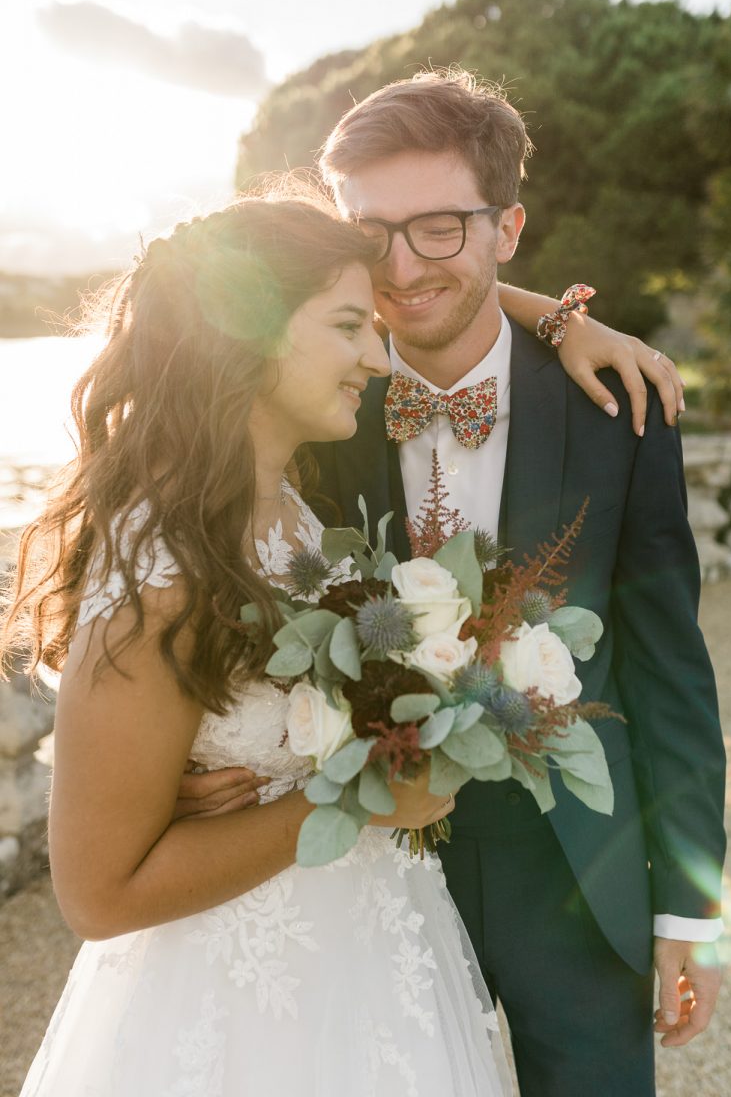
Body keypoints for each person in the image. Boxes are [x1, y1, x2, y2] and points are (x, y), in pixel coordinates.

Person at [186, 71, 725, 1096]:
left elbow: (668, 670)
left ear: (505, 227)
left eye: (438, 227)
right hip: (362, 870)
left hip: (576, 865)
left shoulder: (619, 412)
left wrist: (683, 908)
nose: (401, 264)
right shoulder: (307, 403)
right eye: (369, 231)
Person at [3, 194, 517, 1096]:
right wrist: (359, 799)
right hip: (234, 1011)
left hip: (370, 959)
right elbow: (94, 892)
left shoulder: (295, 512)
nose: (376, 353)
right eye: (350, 324)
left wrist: (567, 321)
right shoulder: (162, 567)